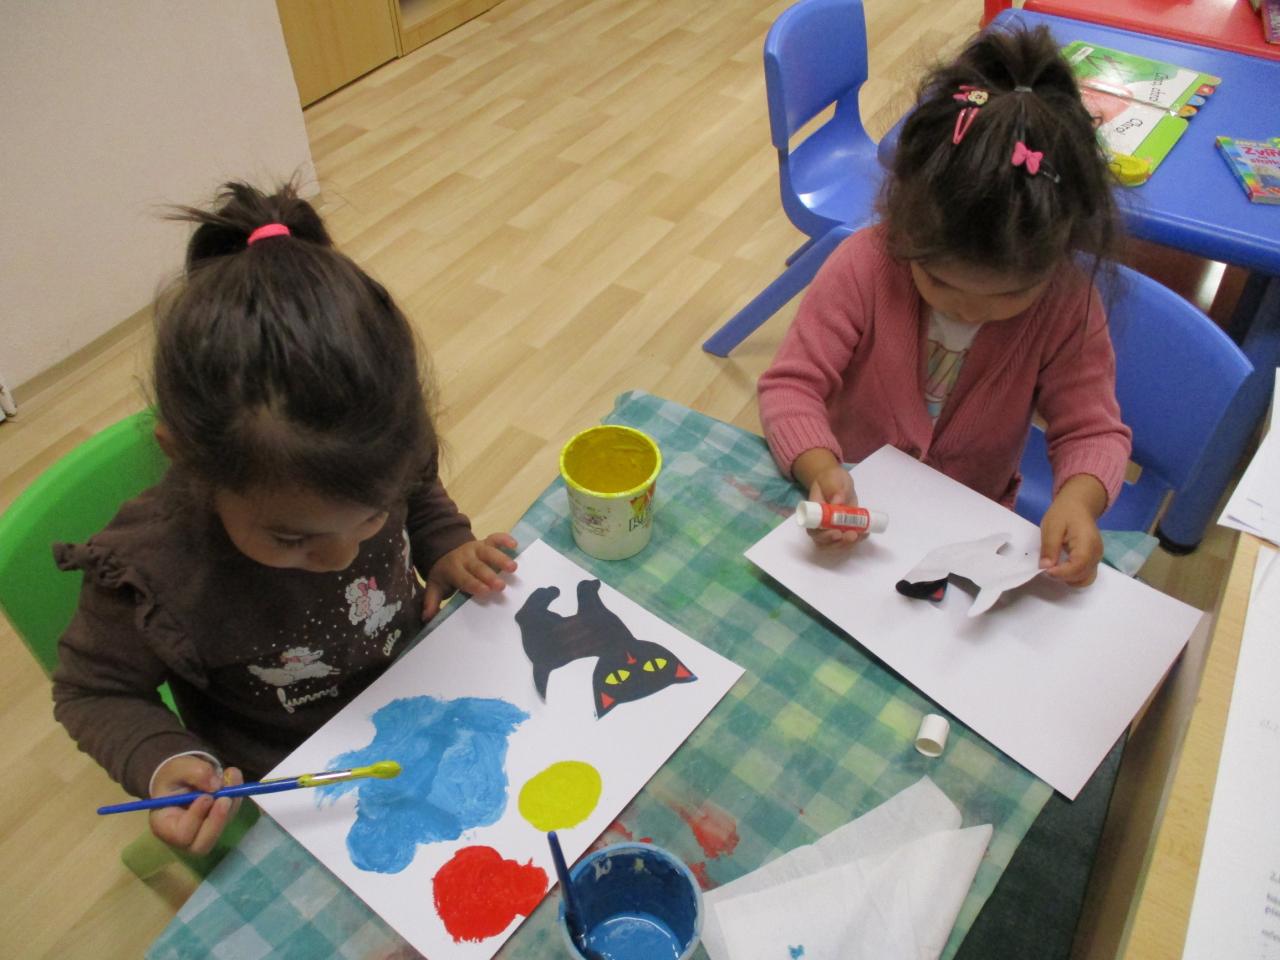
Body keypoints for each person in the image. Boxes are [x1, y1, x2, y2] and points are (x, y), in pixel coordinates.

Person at [52, 182, 517, 855]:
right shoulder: (149, 571)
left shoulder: (378, 456)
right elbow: (93, 692)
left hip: (419, 696)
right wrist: (163, 759)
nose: (342, 556)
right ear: (189, 461)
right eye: (293, 538)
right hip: (296, 789)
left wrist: (443, 543)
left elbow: (417, 488)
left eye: (370, 518)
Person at [758, 25, 1131, 587]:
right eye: (939, 282)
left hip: (970, 528)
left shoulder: (1066, 304)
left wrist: (1078, 500)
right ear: (903, 223)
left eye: (1008, 295)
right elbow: (791, 387)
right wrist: (821, 466)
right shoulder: (865, 264)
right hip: (854, 511)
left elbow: (1092, 432)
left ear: (1059, 256)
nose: (970, 311)